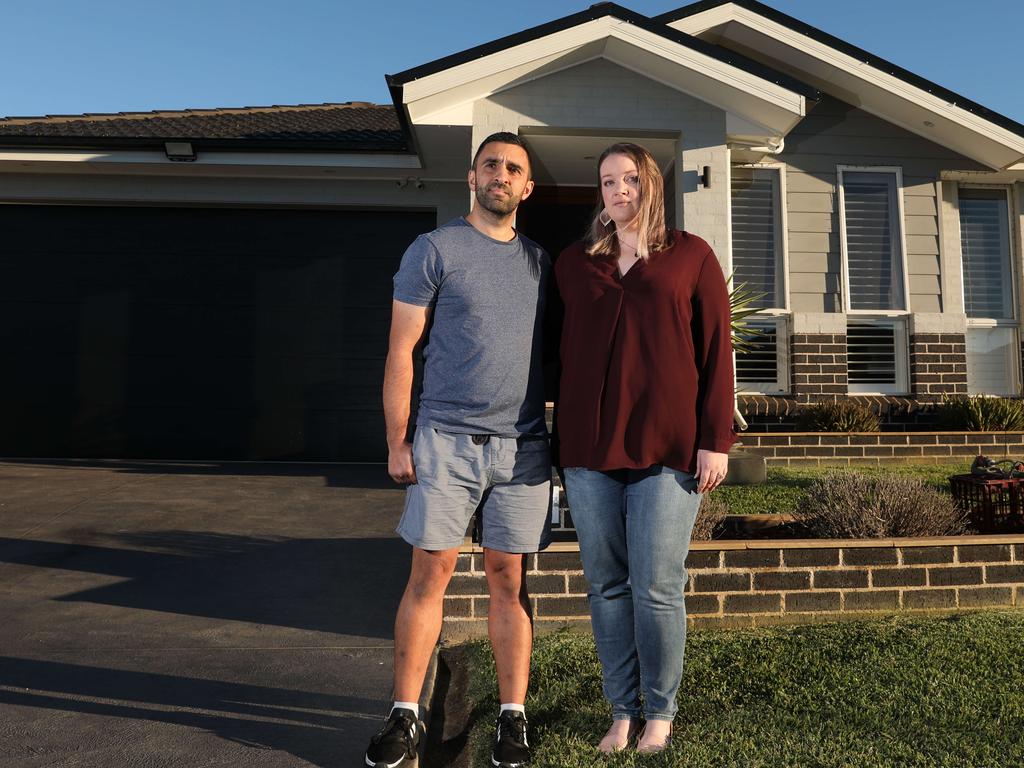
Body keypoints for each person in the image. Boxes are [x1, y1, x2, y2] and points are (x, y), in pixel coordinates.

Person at [364, 132, 552, 768]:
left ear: (527, 187)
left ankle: (511, 718)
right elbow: (400, 350)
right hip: (444, 440)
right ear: (472, 177)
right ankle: (405, 714)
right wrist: (398, 438)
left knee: (510, 580)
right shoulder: (434, 249)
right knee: (430, 574)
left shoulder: (540, 264)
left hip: (523, 448)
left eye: (514, 169)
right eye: (491, 164)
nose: (501, 174)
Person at [554, 142, 734, 755]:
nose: (619, 191)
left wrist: (715, 442)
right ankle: (621, 711)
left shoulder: (691, 256)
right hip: (588, 448)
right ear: (600, 193)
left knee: (656, 585)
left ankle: (660, 712)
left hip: (668, 446)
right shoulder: (575, 264)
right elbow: (555, 352)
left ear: (651, 185)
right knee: (605, 585)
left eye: (630, 179)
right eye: (608, 182)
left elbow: (717, 354)